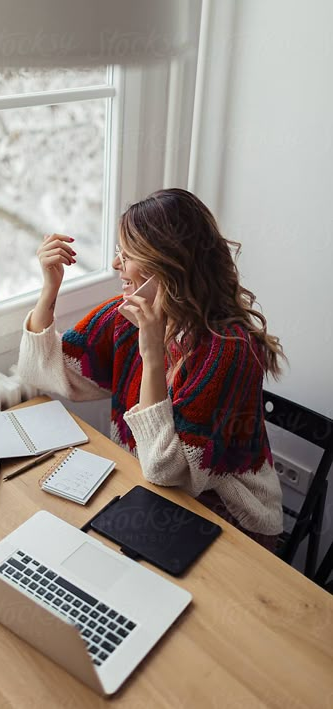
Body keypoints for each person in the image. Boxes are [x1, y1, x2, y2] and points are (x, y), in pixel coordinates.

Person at [17, 188, 286, 550]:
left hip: (231, 517)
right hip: (154, 494)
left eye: (126, 255)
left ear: (167, 264)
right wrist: (49, 289)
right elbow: (42, 372)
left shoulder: (228, 350)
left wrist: (152, 355)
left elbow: (166, 469)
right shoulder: (128, 317)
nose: (116, 266)